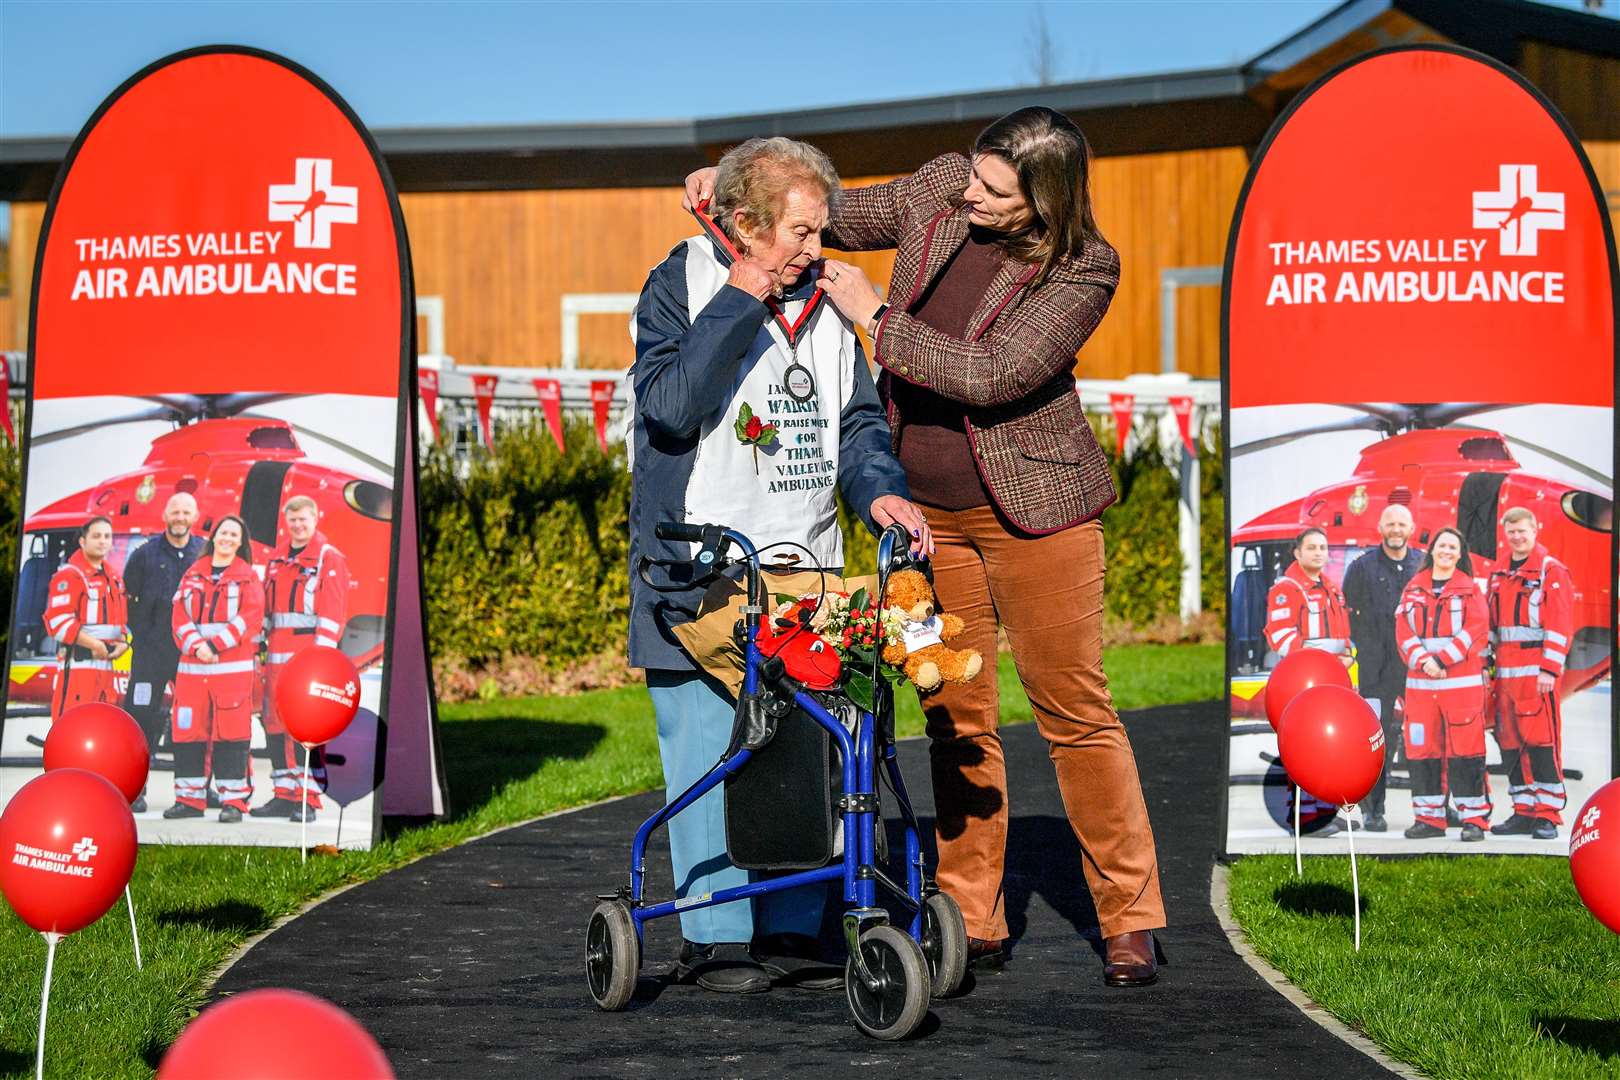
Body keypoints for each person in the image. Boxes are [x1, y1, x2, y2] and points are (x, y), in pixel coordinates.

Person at [685, 106, 1164, 988]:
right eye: (974, 178)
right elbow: (832, 209)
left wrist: (877, 318)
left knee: (1076, 716)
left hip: (1039, 518)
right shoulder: (944, 184)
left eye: (994, 191)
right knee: (955, 714)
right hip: (927, 519)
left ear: (1045, 199)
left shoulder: (1084, 267)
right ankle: (969, 916)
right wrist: (740, 190)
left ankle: (1128, 916)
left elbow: (995, 375)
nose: (971, 195)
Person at [635, 136, 929, 994]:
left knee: (806, 750)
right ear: (743, 223)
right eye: (799, 232)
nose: (814, 248)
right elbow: (669, 406)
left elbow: (861, 427)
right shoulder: (680, 282)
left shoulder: (835, 304)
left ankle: (800, 921)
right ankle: (715, 934)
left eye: (818, 230)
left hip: (808, 571)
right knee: (706, 754)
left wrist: (879, 490)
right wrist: (738, 295)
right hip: (698, 572)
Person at [256, 495, 350, 823]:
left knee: (304, 728)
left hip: (307, 655)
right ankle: (283, 795)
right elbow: (266, 608)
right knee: (274, 722)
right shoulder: (276, 559)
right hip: (276, 657)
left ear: (315, 518)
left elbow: (333, 613)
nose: (298, 526)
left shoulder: (328, 558)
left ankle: (306, 800)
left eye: (303, 520)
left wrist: (320, 662)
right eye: (292, 520)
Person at [164, 516, 264, 823]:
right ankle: (189, 800)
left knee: (232, 735)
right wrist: (197, 646)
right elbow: (179, 616)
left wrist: (214, 645)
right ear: (214, 536)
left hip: (231, 672)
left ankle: (233, 801)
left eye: (234, 534)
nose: (228, 538)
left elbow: (251, 617)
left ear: (241, 541)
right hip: (193, 671)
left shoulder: (248, 577)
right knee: (189, 734)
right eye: (224, 532)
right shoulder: (192, 574)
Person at [1395, 527, 1490, 841]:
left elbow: (1476, 629)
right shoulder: (1413, 588)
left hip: (1460, 689)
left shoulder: (1470, 590)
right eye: (1442, 545)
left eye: (1453, 546)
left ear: (1460, 554)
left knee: (1467, 753)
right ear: (1432, 550)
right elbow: (1402, 631)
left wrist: (1442, 660)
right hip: (1421, 690)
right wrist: (1424, 660)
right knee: (1422, 753)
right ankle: (1429, 819)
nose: (1447, 551)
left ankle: (1473, 819)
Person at [1486, 507, 1573, 840]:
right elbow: (1492, 627)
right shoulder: (1499, 574)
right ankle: (1523, 811)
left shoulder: (1551, 571)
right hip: (1506, 676)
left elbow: (1560, 624)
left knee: (1541, 743)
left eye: (1522, 531)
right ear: (1505, 534)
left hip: (1537, 676)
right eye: (1511, 532)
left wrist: (1549, 669)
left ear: (1535, 529)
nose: (1517, 537)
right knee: (1510, 744)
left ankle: (1547, 814)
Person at [1265, 526, 1356, 837]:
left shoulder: (1332, 588)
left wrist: (1348, 656)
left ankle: (1325, 814)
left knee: (1330, 748)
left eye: (1323, 547)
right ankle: (1304, 818)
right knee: (1305, 748)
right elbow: (1282, 637)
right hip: (1304, 684)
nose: (1319, 552)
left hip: (1333, 681)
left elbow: (1344, 637)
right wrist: (1326, 661)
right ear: (1297, 553)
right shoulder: (1286, 589)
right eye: (1312, 547)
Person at [122, 493, 205, 813]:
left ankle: (193, 794)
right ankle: (135, 789)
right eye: (175, 511)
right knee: (140, 720)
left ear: (195, 515)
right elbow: (128, 600)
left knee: (191, 722)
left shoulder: (203, 553)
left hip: (189, 657)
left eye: (186, 511)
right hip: (149, 656)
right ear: (165, 514)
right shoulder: (144, 555)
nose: (180, 517)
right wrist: (142, 637)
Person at [1341, 505, 1422, 832]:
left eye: (1402, 523)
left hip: (1415, 666)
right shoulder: (1361, 568)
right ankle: (1373, 811)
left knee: (1425, 738)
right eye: (1390, 523)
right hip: (1375, 669)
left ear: (1411, 527)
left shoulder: (1423, 564)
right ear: (1380, 526)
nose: (1396, 528)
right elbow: (1347, 613)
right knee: (1377, 739)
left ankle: (1436, 808)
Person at [44, 516, 129, 720]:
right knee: (72, 729)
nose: (102, 541)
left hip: (107, 669)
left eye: (107, 536)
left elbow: (121, 622)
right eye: (96, 536)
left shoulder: (114, 578)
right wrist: (94, 644)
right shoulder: (70, 575)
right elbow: (58, 623)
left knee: (101, 731)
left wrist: (123, 642)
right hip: (77, 670)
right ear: (83, 541)